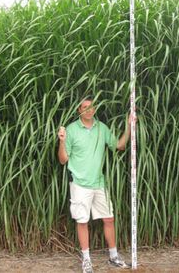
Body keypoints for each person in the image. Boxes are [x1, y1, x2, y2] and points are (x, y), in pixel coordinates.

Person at [58, 97, 136, 273]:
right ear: (79, 110)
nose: (88, 109)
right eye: (84, 107)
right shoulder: (71, 130)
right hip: (79, 184)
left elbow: (119, 146)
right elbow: (63, 160)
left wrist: (130, 126)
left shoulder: (102, 128)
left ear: (95, 109)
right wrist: (62, 140)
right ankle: (86, 260)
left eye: (91, 106)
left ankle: (113, 256)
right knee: (82, 221)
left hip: (99, 183)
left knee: (109, 219)